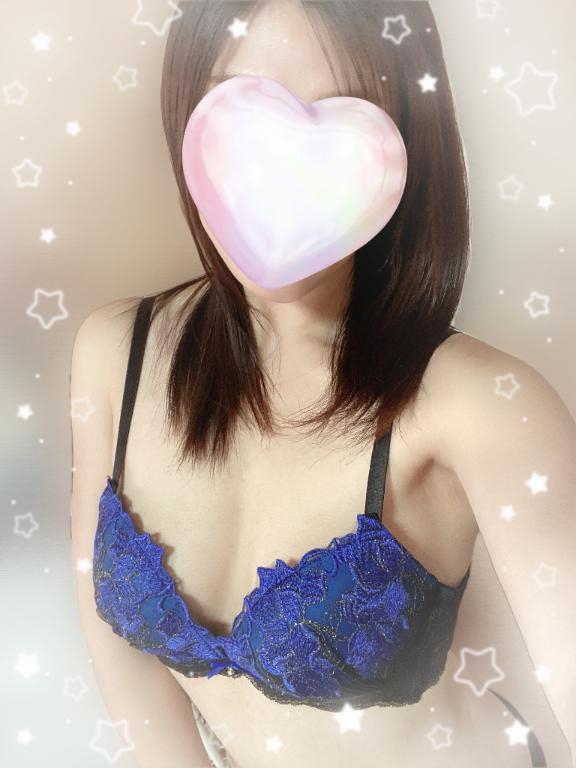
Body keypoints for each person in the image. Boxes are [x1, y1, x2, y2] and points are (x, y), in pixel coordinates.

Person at [70, 2, 575, 767]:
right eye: (239, 103)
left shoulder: (482, 405)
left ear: (406, 136)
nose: (281, 174)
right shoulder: (116, 354)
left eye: (345, 107)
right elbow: (112, 639)